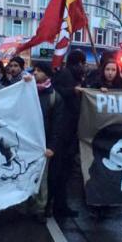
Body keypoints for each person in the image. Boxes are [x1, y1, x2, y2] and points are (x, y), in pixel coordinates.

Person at [51, 49, 87, 217]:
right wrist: (72, 91)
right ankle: (53, 205)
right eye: (82, 63)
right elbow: (57, 91)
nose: (83, 67)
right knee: (59, 171)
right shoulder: (65, 76)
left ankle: (60, 204)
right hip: (62, 132)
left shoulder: (74, 77)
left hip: (70, 131)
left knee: (64, 172)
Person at [29, 63, 65, 221]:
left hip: (43, 145)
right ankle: (24, 206)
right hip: (27, 142)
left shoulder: (54, 97)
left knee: (41, 178)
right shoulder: (27, 91)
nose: (35, 73)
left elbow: (58, 124)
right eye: (34, 70)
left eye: (39, 71)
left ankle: (40, 208)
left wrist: (52, 146)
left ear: (48, 75)